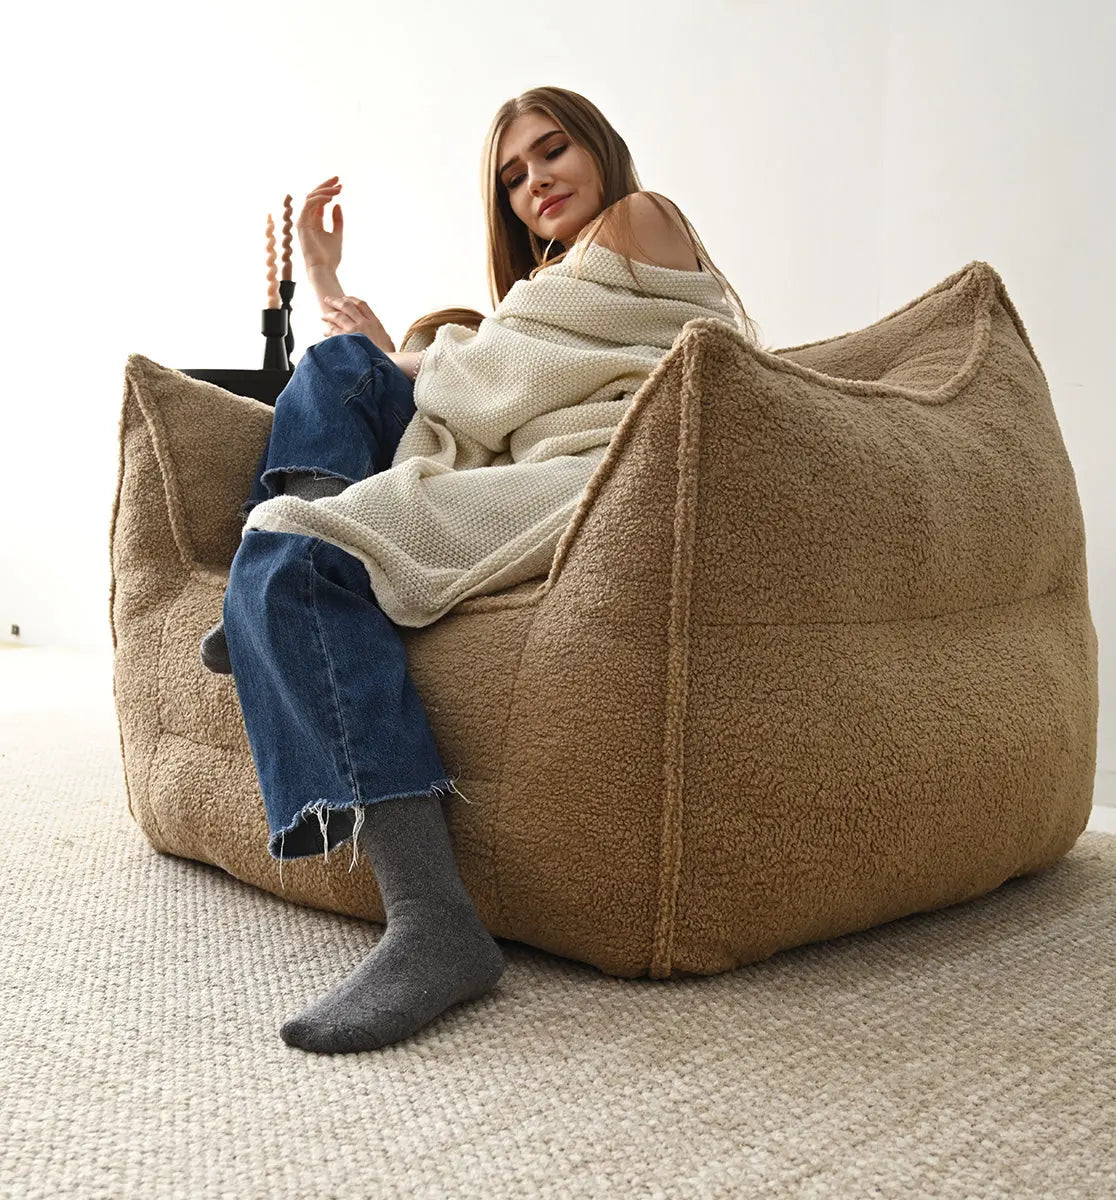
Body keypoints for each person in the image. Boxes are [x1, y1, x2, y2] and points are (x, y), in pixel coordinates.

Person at [200, 86, 759, 1056]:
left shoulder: (641, 218)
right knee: (331, 389)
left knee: (314, 487)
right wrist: (350, 310)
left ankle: (432, 922)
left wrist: (402, 352)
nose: (534, 180)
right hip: (539, 466)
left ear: (602, 151)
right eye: (512, 175)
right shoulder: (536, 304)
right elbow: (495, 370)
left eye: (553, 152)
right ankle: (277, 577)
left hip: (604, 473)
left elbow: (508, 371)